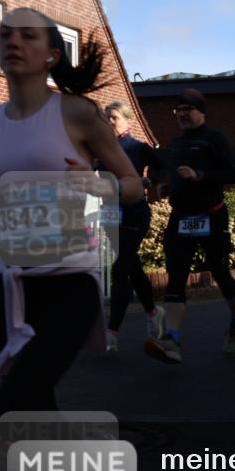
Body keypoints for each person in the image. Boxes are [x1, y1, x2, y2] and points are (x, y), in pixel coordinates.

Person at [0, 7, 143, 448]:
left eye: (28, 36)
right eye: (5, 34)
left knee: (12, 409)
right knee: (34, 407)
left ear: (51, 55)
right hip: (13, 282)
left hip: (69, 278)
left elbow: (134, 185)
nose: (12, 41)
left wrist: (98, 183)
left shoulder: (77, 113)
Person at [143, 89, 235, 364]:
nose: (182, 114)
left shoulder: (214, 138)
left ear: (201, 111)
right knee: (176, 276)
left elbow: (232, 174)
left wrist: (199, 175)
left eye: (187, 109)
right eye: (178, 110)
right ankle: (172, 340)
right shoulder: (177, 143)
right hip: (181, 219)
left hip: (211, 216)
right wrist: (167, 187)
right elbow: (176, 176)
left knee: (220, 272)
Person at [101, 101, 166, 351]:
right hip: (111, 215)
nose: (110, 122)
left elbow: (163, 165)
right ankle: (152, 312)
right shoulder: (103, 150)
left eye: (114, 117)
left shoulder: (138, 148)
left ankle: (111, 332)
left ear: (127, 119)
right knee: (132, 267)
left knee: (120, 269)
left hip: (135, 214)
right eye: (107, 117)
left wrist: (150, 180)